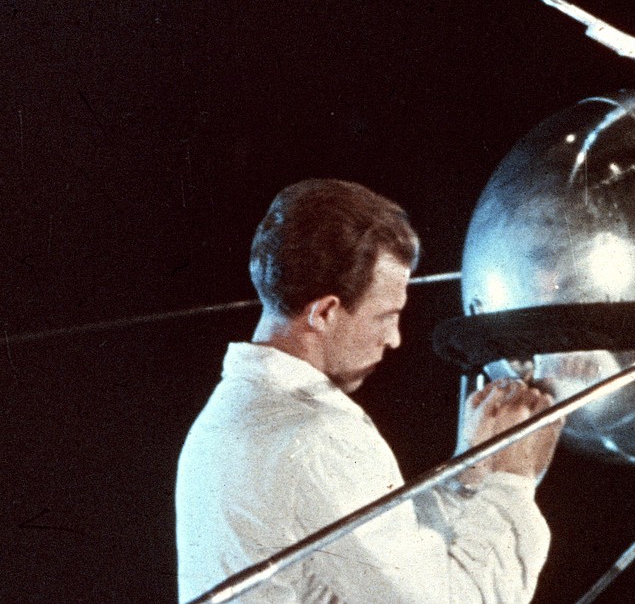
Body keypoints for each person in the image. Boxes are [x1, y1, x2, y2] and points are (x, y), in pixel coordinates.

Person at [176, 179, 561, 603]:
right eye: (386, 316)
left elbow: (387, 557)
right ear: (324, 312)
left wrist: (467, 478)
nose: (395, 338)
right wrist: (513, 481)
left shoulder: (234, 411)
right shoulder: (317, 439)